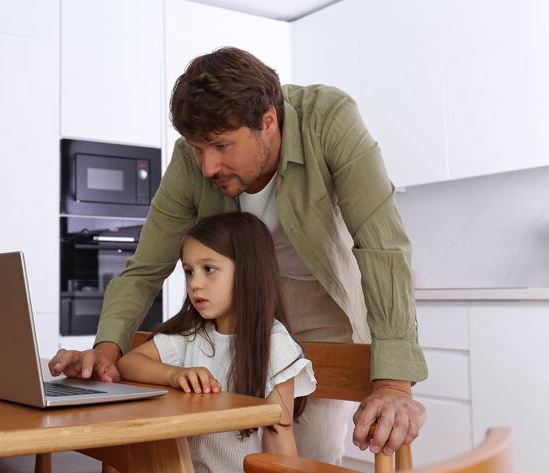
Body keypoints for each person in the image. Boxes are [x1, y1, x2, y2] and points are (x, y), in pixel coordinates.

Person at [49, 46, 428, 464]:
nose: (207, 166)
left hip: (325, 314)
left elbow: (382, 246)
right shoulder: (191, 163)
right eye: (197, 148)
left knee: (307, 457)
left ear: (268, 122)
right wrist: (105, 352)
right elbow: (144, 269)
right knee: (222, 451)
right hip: (235, 323)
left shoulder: (329, 119)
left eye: (221, 146)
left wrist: (394, 384)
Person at [117, 212, 316, 472]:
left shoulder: (275, 345)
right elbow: (128, 363)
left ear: (248, 271)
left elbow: (278, 436)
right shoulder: (193, 335)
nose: (195, 284)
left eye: (208, 269)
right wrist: (174, 374)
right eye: (189, 272)